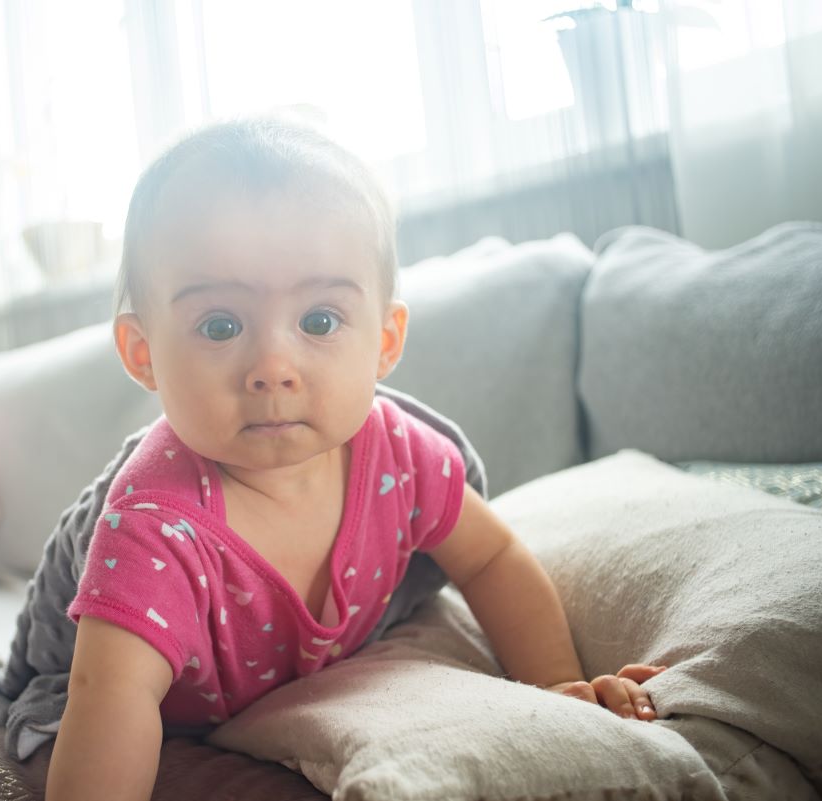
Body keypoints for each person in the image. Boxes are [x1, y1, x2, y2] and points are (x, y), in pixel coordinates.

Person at [47, 117, 665, 799]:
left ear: (385, 339)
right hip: (158, 705)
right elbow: (110, 694)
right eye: (220, 325)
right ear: (143, 353)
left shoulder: (395, 451)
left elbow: (490, 558)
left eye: (318, 320)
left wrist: (555, 687)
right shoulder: (153, 525)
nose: (273, 366)